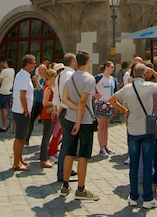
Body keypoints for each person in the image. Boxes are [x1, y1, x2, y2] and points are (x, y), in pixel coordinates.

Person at [110, 63, 157, 208]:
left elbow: (112, 100)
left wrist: (124, 110)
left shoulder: (127, 88)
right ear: (144, 74)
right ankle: (148, 198)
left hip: (133, 130)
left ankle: (133, 196)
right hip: (147, 129)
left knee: (134, 165)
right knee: (148, 164)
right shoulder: (148, 86)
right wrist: (153, 71)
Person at [59, 50, 100, 200]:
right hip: (85, 121)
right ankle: (81, 188)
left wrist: (75, 109)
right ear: (87, 61)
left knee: (69, 152)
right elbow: (83, 102)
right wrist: (79, 117)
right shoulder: (89, 79)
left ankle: (65, 185)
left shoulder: (69, 79)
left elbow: (65, 99)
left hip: (69, 118)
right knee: (83, 154)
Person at [11, 54, 36, 171]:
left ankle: (19, 158)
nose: (35, 65)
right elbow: (22, 96)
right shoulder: (23, 77)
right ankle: (16, 163)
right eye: (33, 63)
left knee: (22, 136)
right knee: (20, 137)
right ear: (27, 64)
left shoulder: (24, 75)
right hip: (21, 111)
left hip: (22, 110)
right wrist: (26, 111)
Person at [55, 52, 77, 184]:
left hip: (62, 111)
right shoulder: (70, 75)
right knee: (68, 144)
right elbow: (68, 97)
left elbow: (56, 95)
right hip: (68, 111)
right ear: (73, 62)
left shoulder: (60, 75)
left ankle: (67, 168)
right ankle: (63, 174)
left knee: (67, 142)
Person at [95, 60, 117, 156]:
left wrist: (115, 106)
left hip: (110, 105)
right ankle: (101, 148)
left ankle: (105, 146)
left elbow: (115, 93)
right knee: (101, 126)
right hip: (100, 104)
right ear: (106, 67)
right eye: (111, 67)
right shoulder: (99, 77)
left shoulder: (113, 79)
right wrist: (95, 94)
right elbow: (90, 85)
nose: (113, 69)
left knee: (106, 127)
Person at [38, 66, 58, 169]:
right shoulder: (48, 89)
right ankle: (43, 159)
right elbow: (45, 103)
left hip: (50, 115)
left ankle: (45, 157)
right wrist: (55, 102)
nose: (56, 77)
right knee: (46, 137)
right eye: (55, 76)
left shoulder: (51, 87)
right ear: (50, 77)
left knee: (48, 136)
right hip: (47, 114)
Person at [0, 59, 15, 131]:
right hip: (9, 91)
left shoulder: (4, 71)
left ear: (7, 64)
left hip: (2, 91)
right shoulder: (12, 70)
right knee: (5, 108)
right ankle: (4, 126)